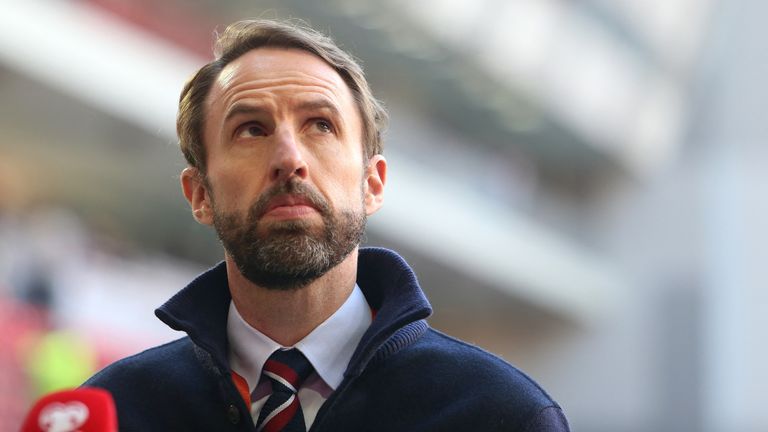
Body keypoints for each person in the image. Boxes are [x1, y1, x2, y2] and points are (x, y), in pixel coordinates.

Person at [84, 19, 570, 431]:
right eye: (251, 129)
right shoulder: (118, 410)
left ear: (373, 184)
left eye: (320, 125)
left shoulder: (501, 415)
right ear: (200, 194)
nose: (289, 159)